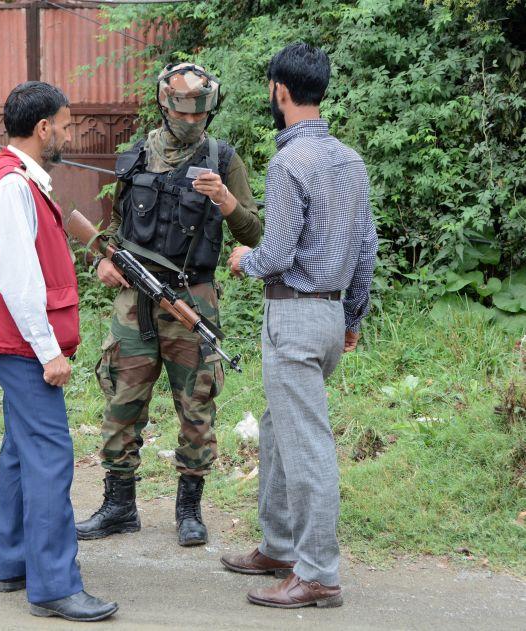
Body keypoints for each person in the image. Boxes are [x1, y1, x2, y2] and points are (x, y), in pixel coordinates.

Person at [75, 63, 261, 547]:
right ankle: (119, 506)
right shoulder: (136, 156)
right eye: (181, 110)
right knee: (121, 400)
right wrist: (102, 260)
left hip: (192, 298)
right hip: (133, 299)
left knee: (196, 405)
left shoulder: (223, 159)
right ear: (163, 104)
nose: (190, 120)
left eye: (199, 113)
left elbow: (255, 233)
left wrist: (224, 200)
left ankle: (189, 510)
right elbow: (112, 227)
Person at [223, 43, 378, 608]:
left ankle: (317, 574)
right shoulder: (349, 159)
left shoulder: (290, 161)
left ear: (279, 92)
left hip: (292, 314)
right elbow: (366, 249)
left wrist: (246, 261)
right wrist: (352, 317)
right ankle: (279, 544)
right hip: (329, 316)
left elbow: (279, 250)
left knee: (307, 444)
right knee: (276, 427)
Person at [0, 81, 118, 622]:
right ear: (43, 128)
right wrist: (49, 351)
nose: (69, 133)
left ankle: (12, 562)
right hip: (23, 345)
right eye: (67, 124)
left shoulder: (15, 180)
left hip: (13, 343)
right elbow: (18, 280)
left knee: (19, 449)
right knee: (51, 455)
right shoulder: (12, 187)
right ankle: (55, 584)